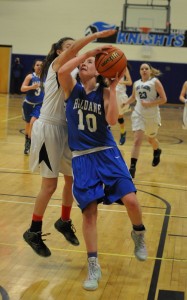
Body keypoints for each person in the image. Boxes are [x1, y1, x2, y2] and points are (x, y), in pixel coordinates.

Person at [58, 47, 148, 291]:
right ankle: (93, 265)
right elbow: (63, 68)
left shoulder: (105, 93)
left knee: (131, 200)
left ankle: (138, 234)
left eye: (90, 62)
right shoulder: (72, 89)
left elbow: (110, 121)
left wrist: (112, 87)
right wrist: (92, 51)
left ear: (101, 71)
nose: (84, 64)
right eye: (83, 62)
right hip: (83, 159)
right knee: (89, 213)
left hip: (107, 154)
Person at [23, 29, 117, 258]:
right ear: (58, 51)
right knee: (49, 185)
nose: (74, 50)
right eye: (69, 47)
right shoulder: (58, 65)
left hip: (66, 130)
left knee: (71, 179)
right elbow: (76, 51)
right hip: (49, 129)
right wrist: (95, 38)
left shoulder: (76, 72)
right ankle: (33, 230)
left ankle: (64, 221)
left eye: (75, 47)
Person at [126, 63, 167, 178]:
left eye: (146, 69)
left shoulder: (155, 82)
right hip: (139, 114)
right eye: (142, 69)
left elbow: (164, 99)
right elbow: (133, 97)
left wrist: (150, 104)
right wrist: (124, 103)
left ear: (150, 71)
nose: (144, 70)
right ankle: (132, 167)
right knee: (137, 140)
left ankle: (157, 150)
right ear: (140, 71)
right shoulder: (136, 83)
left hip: (152, 116)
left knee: (151, 139)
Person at [21, 60, 44, 155]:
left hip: (39, 105)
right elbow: (22, 88)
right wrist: (31, 87)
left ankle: (34, 145)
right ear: (34, 67)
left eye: (41, 65)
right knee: (27, 125)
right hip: (28, 104)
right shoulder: (30, 76)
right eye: (37, 65)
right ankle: (27, 143)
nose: (39, 66)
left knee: (33, 123)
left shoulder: (45, 78)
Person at [116, 66, 132, 145]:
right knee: (106, 115)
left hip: (120, 95)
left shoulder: (124, 68)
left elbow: (129, 82)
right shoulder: (109, 66)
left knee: (120, 116)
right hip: (111, 93)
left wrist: (120, 82)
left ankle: (123, 132)